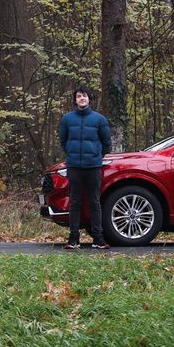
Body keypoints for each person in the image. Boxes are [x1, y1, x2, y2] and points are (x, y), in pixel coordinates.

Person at [59, 84, 112, 249]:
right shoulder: (67, 119)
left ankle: (98, 238)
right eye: (79, 96)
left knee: (95, 202)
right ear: (75, 100)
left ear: (89, 98)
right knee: (74, 202)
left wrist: (96, 155)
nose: (82, 98)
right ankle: (73, 239)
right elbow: (63, 141)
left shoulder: (99, 119)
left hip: (93, 167)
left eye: (84, 96)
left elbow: (106, 144)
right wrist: (72, 155)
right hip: (74, 166)